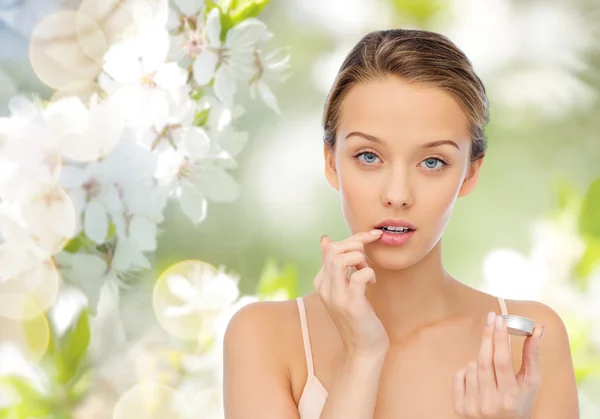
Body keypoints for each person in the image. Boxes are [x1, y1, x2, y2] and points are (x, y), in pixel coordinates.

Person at [222, 28, 579, 418]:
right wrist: (362, 355)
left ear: (470, 174)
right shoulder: (263, 337)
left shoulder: (528, 340)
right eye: (369, 156)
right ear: (330, 162)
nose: (397, 194)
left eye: (432, 162)